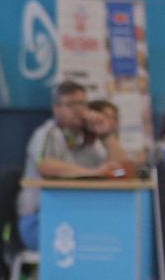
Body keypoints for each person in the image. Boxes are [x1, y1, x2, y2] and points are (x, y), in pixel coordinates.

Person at [15, 81, 117, 249]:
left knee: (111, 233)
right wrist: (92, 172)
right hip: (39, 220)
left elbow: (120, 167)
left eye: (82, 103)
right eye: (71, 104)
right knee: (91, 240)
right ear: (56, 109)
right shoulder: (47, 133)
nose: (79, 109)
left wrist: (106, 135)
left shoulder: (91, 137)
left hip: (77, 215)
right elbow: (46, 166)